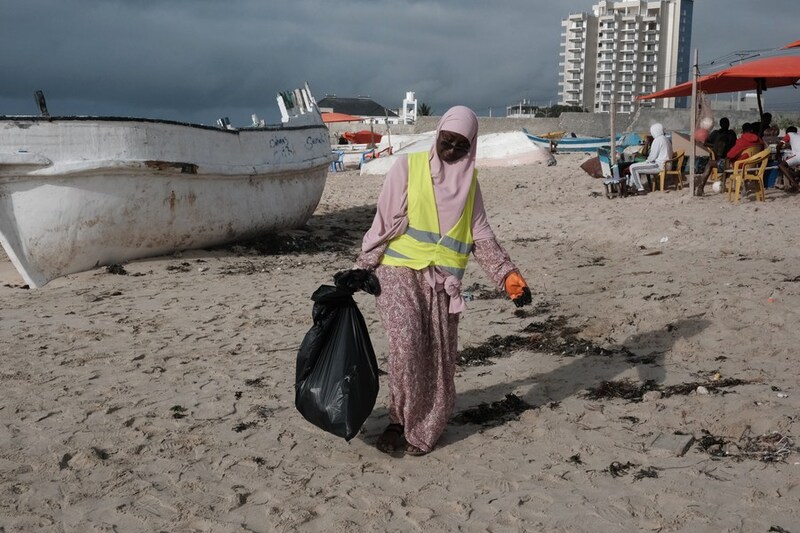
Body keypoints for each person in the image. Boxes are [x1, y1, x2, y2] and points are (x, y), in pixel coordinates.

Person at [338, 106, 532, 457]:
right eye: (447, 141)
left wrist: (508, 276)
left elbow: (482, 236)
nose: (452, 151)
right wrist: (363, 266)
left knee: (439, 357)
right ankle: (399, 420)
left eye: (462, 145)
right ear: (437, 134)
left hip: (444, 283)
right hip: (398, 270)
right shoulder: (407, 168)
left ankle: (424, 426)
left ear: (471, 147)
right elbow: (383, 222)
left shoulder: (470, 185)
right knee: (408, 345)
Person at [627, 123, 672, 194]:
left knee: (633, 167)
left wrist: (647, 161)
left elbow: (652, 157)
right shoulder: (666, 139)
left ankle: (640, 189)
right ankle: (631, 186)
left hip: (659, 165)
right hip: (666, 165)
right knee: (636, 167)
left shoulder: (658, 140)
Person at [776, 126, 800, 192]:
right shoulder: (798, 135)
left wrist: (777, 152)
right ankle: (794, 176)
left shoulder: (789, 134)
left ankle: (796, 186)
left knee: (781, 165)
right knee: (793, 170)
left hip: (798, 156)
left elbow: (779, 145)